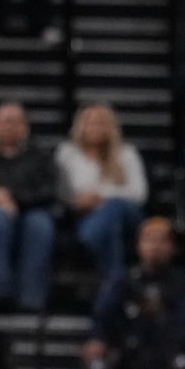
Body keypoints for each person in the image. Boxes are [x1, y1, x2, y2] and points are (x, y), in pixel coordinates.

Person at [87, 218, 185, 369]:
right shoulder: (124, 281)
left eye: (162, 240)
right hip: (128, 359)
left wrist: (160, 314)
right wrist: (98, 339)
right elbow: (103, 316)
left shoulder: (184, 285)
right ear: (138, 245)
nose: (155, 246)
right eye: (149, 240)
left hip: (168, 361)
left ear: (173, 247)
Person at [0, 101, 58, 313]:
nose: (9, 126)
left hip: (29, 214)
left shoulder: (41, 158)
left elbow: (49, 191)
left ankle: (30, 301)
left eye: (15, 122)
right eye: (4, 122)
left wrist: (11, 198)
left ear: (26, 127)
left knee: (40, 225)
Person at [57, 103, 147, 284]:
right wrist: (77, 202)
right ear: (80, 126)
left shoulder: (126, 153)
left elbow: (139, 193)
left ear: (110, 127)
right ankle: (115, 281)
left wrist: (101, 197)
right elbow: (60, 191)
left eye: (100, 123)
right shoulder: (67, 154)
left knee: (112, 209)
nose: (95, 127)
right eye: (90, 122)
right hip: (84, 216)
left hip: (126, 215)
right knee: (105, 226)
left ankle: (112, 281)